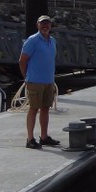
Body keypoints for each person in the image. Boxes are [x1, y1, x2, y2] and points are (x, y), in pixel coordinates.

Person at [19, 14, 60, 149]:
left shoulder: (52, 40)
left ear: (50, 26)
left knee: (45, 109)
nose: (45, 26)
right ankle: (30, 139)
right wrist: (27, 77)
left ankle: (44, 137)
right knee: (33, 109)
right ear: (37, 25)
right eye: (42, 23)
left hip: (48, 81)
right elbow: (22, 60)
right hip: (35, 81)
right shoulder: (32, 40)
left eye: (47, 23)